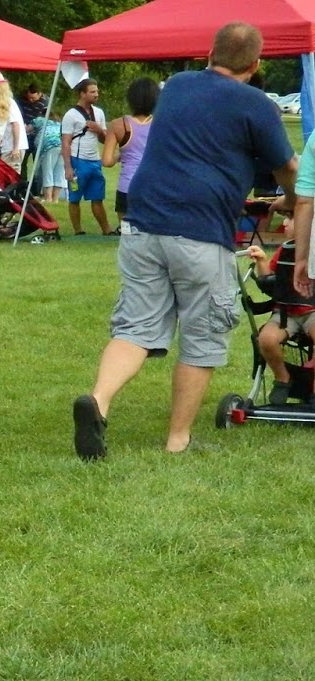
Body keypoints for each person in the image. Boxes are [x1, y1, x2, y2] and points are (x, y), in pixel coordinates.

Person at [73, 22, 297, 459]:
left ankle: (98, 402)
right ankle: (178, 439)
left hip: (141, 222)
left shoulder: (175, 86)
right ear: (255, 64)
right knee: (204, 334)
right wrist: (290, 200)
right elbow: (286, 166)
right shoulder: (257, 105)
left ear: (209, 53)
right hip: (200, 230)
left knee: (136, 327)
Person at [245, 242, 310, 405]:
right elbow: (269, 281)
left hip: (312, 313)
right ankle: (283, 378)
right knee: (266, 339)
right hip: (285, 313)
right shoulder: (285, 250)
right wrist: (261, 261)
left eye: (291, 218)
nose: (286, 223)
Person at [61, 78, 113, 237]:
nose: (96, 94)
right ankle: (78, 230)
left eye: (97, 91)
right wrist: (68, 167)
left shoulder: (99, 113)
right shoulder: (71, 115)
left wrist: (99, 130)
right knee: (75, 198)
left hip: (95, 161)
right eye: (92, 91)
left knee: (97, 197)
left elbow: (104, 140)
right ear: (82, 94)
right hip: (78, 161)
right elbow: (66, 142)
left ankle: (107, 230)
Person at [104, 77, 158, 224]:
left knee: (127, 235)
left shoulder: (117, 124)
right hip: (154, 186)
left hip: (127, 186)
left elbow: (107, 161)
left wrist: (120, 156)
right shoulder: (162, 123)